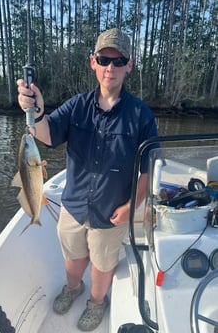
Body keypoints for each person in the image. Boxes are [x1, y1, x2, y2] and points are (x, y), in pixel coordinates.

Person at [17, 27, 158, 331]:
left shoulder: (141, 115)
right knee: (73, 259)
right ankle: (73, 288)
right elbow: (46, 135)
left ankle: (97, 302)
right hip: (73, 205)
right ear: (93, 62)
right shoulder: (76, 105)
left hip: (112, 211)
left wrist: (133, 204)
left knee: (102, 266)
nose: (111, 67)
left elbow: (150, 168)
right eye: (104, 59)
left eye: (118, 61)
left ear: (129, 65)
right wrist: (36, 111)